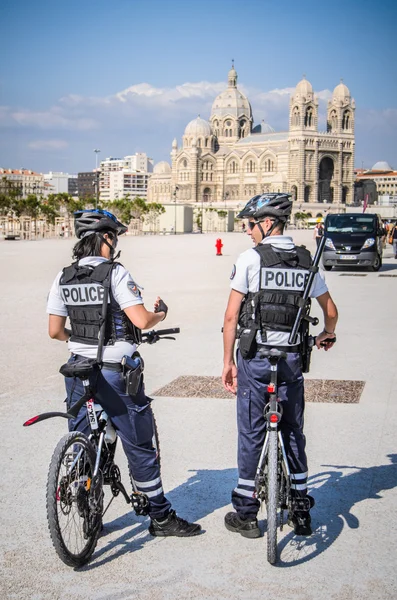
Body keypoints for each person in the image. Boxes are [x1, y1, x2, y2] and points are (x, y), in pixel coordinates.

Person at [46, 209, 201, 538]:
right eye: (113, 237)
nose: (115, 244)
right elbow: (141, 321)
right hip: (115, 372)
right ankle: (160, 517)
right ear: (105, 238)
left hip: (77, 369)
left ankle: (87, 514)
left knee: (85, 440)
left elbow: (55, 331)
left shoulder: (63, 277)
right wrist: (159, 314)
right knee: (139, 442)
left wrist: (82, 339)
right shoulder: (114, 273)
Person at [222, 194, 338, 538]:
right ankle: (300, 507)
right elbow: (330, 311)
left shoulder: (250, 259)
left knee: (251, 431)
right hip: (290, 359)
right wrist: (326, 335)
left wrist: (227, 362)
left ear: (268, 223)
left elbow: (231, 317)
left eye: (250, 224)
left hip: (256, 359)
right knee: (292, 431)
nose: (247, 230)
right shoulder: (306, 260)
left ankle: (246, 513)